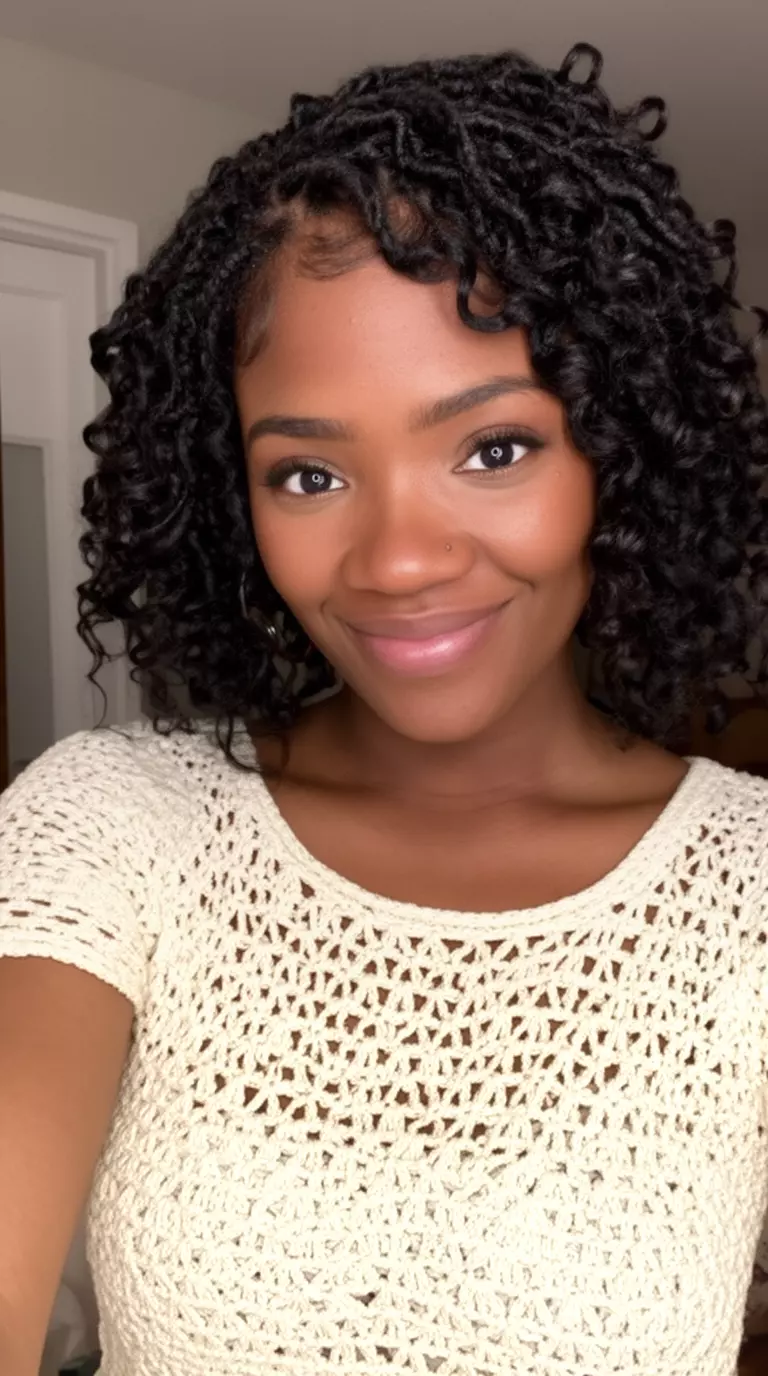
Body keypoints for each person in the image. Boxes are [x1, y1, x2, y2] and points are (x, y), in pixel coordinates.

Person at [0, 37, 767, 1376]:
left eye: (494, 447)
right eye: (309, 475)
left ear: (622, 451)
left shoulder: (751, 887)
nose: (400, 561)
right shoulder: (113, 827)